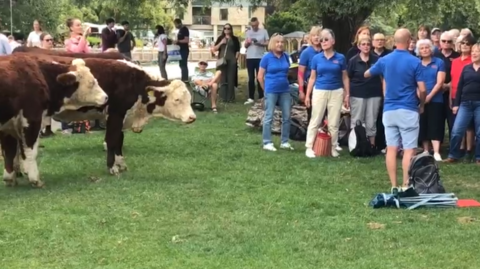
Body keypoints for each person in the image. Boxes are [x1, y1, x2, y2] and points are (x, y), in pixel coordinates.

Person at [365, 28, 427, 192]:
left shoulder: (385, 60)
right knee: (409, 149)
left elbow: (366, 74)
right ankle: (406, 185)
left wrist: (383, 74)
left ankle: (393, 185)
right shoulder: (415, 62)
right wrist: (421, 104)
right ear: (408, 42)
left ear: (394, 41)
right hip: (408, 109)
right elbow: (422, 89)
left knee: (391, 148)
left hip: (389, 110)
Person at [304, 29, 350, 158]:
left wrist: (347, 93)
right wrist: (307, 95)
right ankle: (309, 147)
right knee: (316, 120)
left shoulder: (340, 58)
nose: (323, 42)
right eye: (321, 40)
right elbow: (312, 78)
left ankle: (333, 147)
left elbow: (345, 77)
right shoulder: (316, 58)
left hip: (336, 91)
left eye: (326, 39)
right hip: (320, 90)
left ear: (333, 41)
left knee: (334, 122)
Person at [445, 43, 480, 164]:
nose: (474, 53)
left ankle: (478, 157)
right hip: (465, 103)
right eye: (473, 51)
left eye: (477, 51)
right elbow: (459, 87)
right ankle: (453, 155)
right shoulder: (467, 68)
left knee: (479, 132)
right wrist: (455, 104)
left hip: (479, 103)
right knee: (457, 130)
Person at [257, 34, 293, 151]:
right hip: (271, 90)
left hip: (285, 90)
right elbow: (260, 76)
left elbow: (288, 72)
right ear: (272, 43)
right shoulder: (266, 57)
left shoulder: (286, 56)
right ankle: (267, 142)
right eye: (277, 42)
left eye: (282, 42)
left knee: (287, 117)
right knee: (269, 117)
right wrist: (265, 89)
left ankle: (285, 141)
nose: (280, 44)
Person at [347, 36, 382, 147]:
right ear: (359, 46)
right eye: (363, 44)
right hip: (357, 93)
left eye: (368, 44)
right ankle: (355, 145)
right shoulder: (353, 60)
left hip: (374, 93)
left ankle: (372, 145)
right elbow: (348, 77)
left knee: (371, 120)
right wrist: (347, 94)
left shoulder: (377, 60)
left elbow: (382, 77)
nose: (366, 46)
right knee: (357, 120)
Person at [416, 39, 446, 161]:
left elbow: (440, 83)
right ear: (419, 51)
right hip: (420, 100)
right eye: (422, 48)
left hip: (436, 99)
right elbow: (414, 82)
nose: (424, 50)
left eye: (426, 47)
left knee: (435, 124)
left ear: (431, 48)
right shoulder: (416, 63)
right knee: (423, 124)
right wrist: (421, 97)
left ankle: (437, 152)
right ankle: (426, 150)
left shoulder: (439, 62)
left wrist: (429, 96)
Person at [449, 34, 475, 157]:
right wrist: (451, 98)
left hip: (469, 95)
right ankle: (460, 147)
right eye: (462, 43)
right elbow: (453, 80)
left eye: (467, 43)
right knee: (458, 125)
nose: (464, 45)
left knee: (469, 125)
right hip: (455, 94)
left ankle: (468, 149)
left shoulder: (473, 60)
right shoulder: (454, 61)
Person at [438, 31, 460, 142]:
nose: (446, 43)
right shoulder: (435, 55)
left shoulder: (457, 56)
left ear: (452, 43)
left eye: (449, 41)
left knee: (453, 120)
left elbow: (460, 74)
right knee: (438, 120)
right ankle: (438, 145)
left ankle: (454, 145)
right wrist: (440, 85)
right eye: (444, 41)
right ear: (439, 42)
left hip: (453, 92)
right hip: (437, 92)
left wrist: (448, 85)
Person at [298, 26, 322, 123]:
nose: (316, 38)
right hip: (310, 87)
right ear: (310, 37)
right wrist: (301, 91)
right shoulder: (306, 53)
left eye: (318, 35)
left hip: (324, 86)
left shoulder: (325, 51)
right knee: (312, 114)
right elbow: (300, 73)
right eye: (314, 35)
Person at [213, 23, 240, 103]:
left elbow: (237, 50)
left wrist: (235, 59)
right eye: (225, 28)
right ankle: (222, 97)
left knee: (231, 78)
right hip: (222, 60)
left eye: (228, 28)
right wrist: (221, 42)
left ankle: (230, 98)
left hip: (232, 60)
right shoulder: (220, 38)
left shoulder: (235, 39)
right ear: (223, 29)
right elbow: (214, 49)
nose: (227, 30)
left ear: (231, 29)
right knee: (222, 78)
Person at [244, 17, 269, 105]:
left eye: (255, 25)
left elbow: (268, 43)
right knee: (251, 78)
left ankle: (261, 96)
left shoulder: (264, 31)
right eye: (252, 25)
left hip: (260, 57)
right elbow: (245, 46)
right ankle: (251, 97)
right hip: (250, 57)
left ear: (258, 24)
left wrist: (259, 43)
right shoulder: (248, 32)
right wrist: (248, 43)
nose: (254, 27)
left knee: (260, 77)